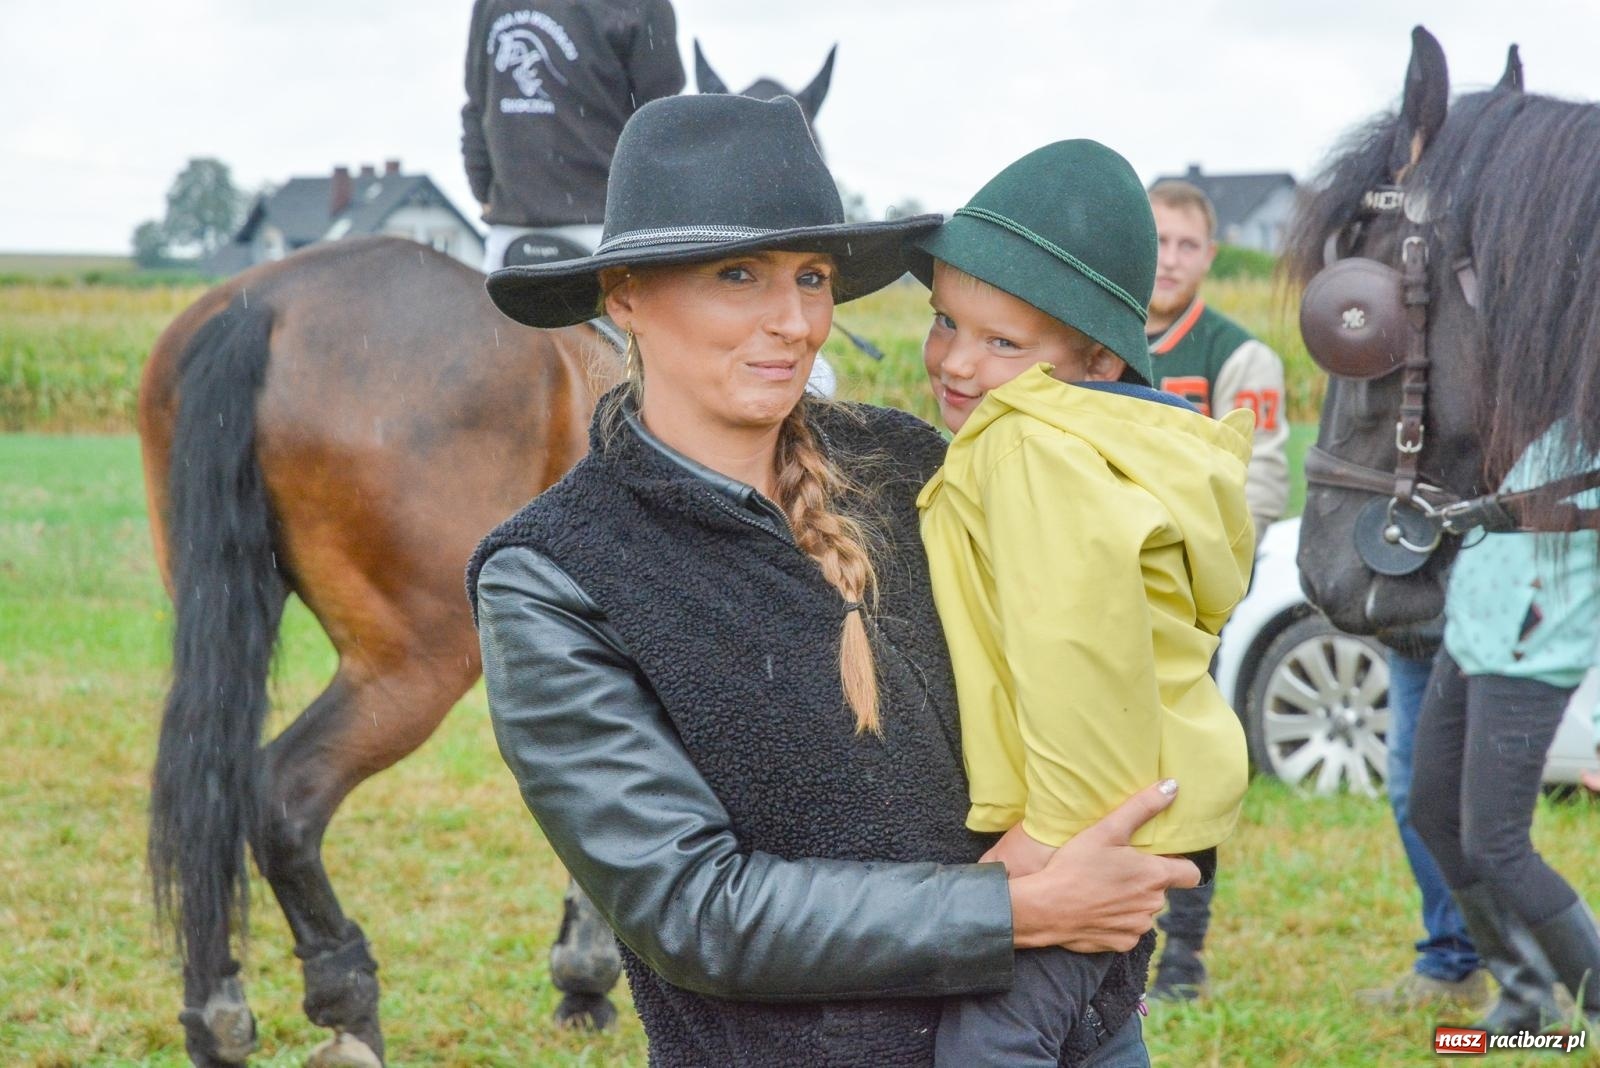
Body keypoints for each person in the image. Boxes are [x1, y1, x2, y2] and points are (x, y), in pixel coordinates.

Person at [468, 94, 1200, 1067]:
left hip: (1081, 1030)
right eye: (739, 275)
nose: (793, 323)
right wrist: (1016, 910)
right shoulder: (553, 575)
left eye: (810, 278)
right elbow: (696, 910)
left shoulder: (911, 462)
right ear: (625, 297)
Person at [909, 141, 1253, 1067]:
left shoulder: (1030, 452)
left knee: (991, 1044)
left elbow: (1078, 662)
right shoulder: (1093, 441)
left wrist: (1034, 851)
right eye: (945, 321)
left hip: (1090, 822)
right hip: (1136, 804)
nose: (957, 362)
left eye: (1004, 343)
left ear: (1094, 360)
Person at [1143, 180, 1291, 999]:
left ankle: (1183, 958)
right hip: (1098, 588)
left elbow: (1259, 484)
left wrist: (1209, 590)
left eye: (1188, 245)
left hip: (1188, 600)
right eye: (1158, 240)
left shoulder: (1238, 355)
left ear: (1210, 254)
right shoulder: (1096, 339)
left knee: (1185, 767)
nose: (1169, 259)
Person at [1410, 426, 1600, 1035]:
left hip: (1536, 647)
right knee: (1431, 810)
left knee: (1496, 843)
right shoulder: (1540, 413)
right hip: (1471, 632)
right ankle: (1527, 1000)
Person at [461, 0, 684, 270]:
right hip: (598, 226)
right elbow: (664, 118)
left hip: (523, 229)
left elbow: (476, 107)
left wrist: (485, 191)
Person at [1354, 642, 1486, 1009]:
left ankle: (1541, 969)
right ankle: (1453, 959)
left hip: (1488, 632)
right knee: (1414, 795)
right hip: (1414, 630)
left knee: (1492, 809)